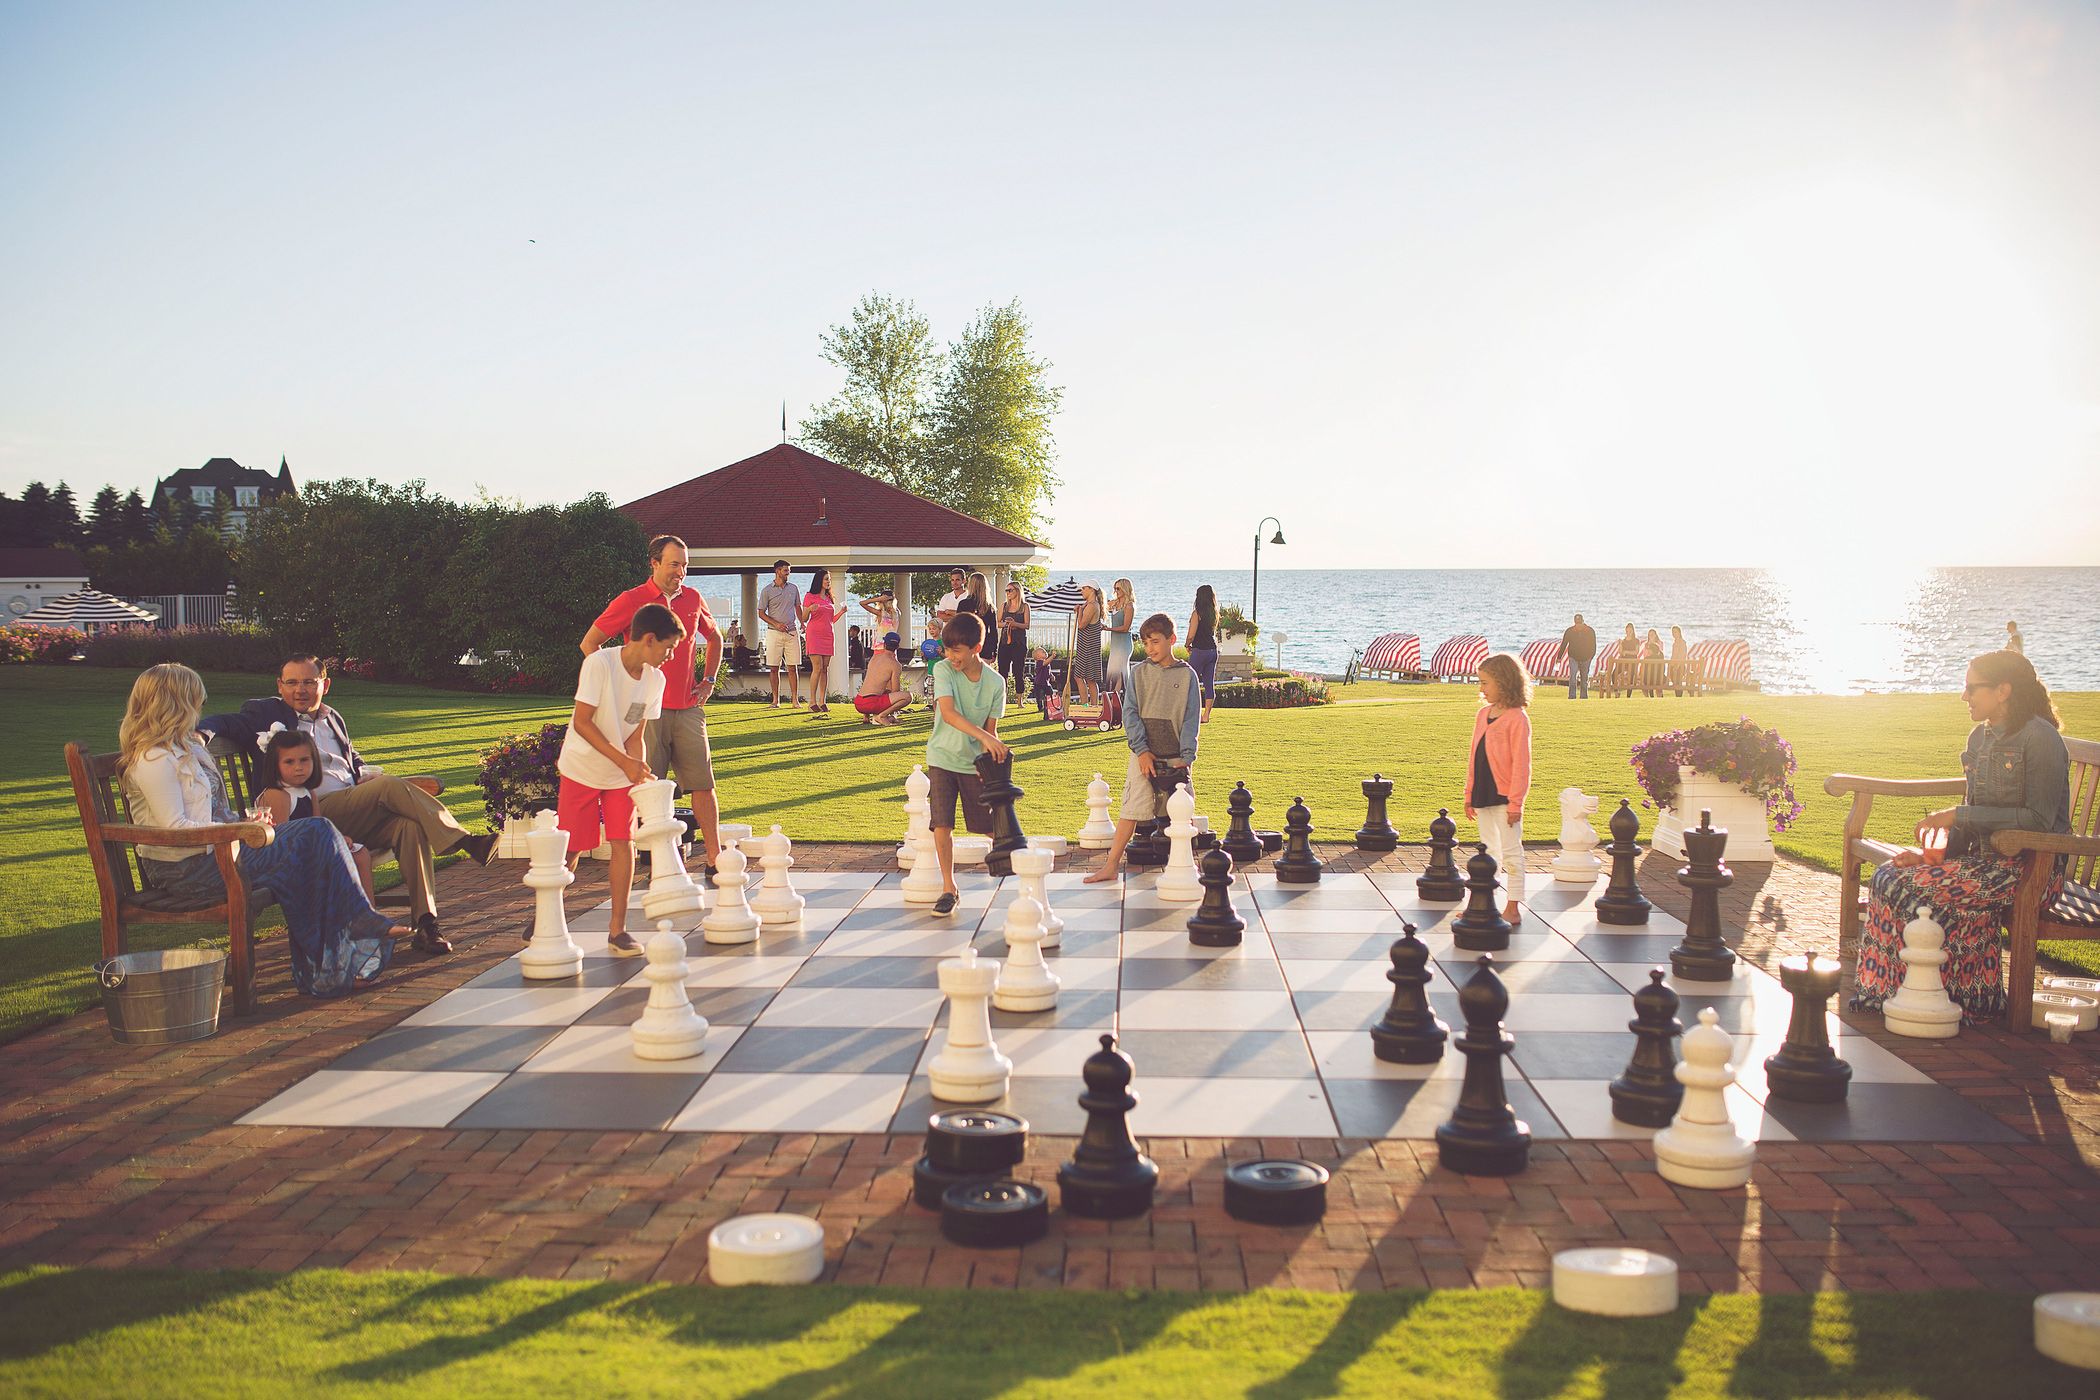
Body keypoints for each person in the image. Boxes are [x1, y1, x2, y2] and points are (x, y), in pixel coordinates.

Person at [125, 664, 406, 996]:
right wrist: (241, 830)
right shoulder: (154, 759)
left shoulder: (187, 748)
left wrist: (242, 825)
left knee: (311, 846)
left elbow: (211, 813)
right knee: (314, 834)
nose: (199, 709)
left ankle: (327, 970)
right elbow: (176, 829)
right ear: (176, 705)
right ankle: (353, 929)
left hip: (218, 853)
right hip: (188, 870)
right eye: (195, 701)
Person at [200, 655, 495, 957]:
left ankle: (426, 924)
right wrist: (201, 733)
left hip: (349, 810)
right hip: (306, 818)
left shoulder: (334, 719)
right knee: (388, 785)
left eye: (308, 682)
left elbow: (352, 763)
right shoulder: (265, 713)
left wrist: (364, 774)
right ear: (280, 685)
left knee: (409, 826)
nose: (299, 690)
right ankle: (463, 840)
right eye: (291, 683)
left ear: (324, 685)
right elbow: (224, 722)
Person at [1849, 651, 2070, 1024]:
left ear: (2003, 690)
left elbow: (2039, 821)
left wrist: (1958, 814)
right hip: (1984, 863)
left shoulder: (2041, 739)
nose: (1964, 697)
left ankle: (1940, 996)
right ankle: (1895, 994)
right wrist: (1929, 857)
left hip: (2033, 870)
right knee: (1888, 876)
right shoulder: (1979, 737)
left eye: (1971, 688)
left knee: (1910, 889)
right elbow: (1973, 816)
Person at [581, 534, 727, 871]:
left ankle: (716, 859)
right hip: (644, 712)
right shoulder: (632, 600)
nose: (681, 572)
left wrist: (708, 680)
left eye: (685, 565)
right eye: (674, 564)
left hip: (688, 708)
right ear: (655, 563)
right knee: (645, 788)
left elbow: (715, 637)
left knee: (703, 784)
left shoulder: (693, 598)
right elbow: (590, 644)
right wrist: (616, 689)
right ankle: (648, 863)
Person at [558, 603, 682, 955]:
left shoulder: (655, 679)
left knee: (622, 842)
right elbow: (582, 722)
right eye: (668, 648)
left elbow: (634, 733)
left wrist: (639, 773)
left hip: (619, 773)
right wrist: (625, 763)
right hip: (581, 767)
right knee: (572, 848)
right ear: (648, 639)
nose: (670, 656)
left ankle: (618, 930)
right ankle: (548, 913)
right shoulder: (600, 664)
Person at [1086, 613, 1201, 883]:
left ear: (1172, 640)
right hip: (1142, 755)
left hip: (1176, 759)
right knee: (1130, 811)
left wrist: (1186, 758)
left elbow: (1191, 719)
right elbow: (1130, 714)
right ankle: (1111, 865)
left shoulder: (1188, 676)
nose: (1150, 648)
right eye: (1146, 642)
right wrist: (1142, 751)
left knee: (1181, 815)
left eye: (1155, 642)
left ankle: (1186, 870)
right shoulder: (1138, 672)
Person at [924, 613, 1008, 916]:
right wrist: (986, 738)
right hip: (942, 758)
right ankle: (948, 888)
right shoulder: (945, 670)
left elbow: (992, 729)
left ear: (977, 646)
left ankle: (1024, 868)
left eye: (957, 650)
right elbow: (948, 713)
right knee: (942, 823)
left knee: (989, 826)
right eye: (947, 649)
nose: (950, 656)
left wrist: (991, 756)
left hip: (972, 764)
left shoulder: (996, 683)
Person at [256, 726, 376, 901]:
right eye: (289, 762)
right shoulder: (277, 795)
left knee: (360, 854)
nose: (298, 767)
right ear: (275, 765)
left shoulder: (308, 791)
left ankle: (367, 914)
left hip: (309, 848)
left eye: (304, 760)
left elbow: (319, 824)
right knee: (333, 863)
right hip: (286, 858)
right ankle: (341, 917)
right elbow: (281, 841)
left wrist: (338, 837)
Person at [1464, 652, 1533, 924]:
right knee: (1489, 850)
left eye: (1485, 683)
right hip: (1483, 794)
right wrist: (1469, 795)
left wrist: (1516, 803)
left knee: (1511, 852)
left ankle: (1513, 907)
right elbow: (1474, 756)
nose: (1481, 689)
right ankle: (1485, 903)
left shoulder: (1518, 718)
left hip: (1505, 798)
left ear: (1504, 682)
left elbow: (1521, 765)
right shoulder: (1483, 715)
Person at [757, 559, 803, 708]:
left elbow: (798, 608)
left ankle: (795, 700)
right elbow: (761, 613)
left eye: (789, 570)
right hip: (774, 634)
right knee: (774, 667)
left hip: (792, 633)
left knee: (792, 667)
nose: (788, 573)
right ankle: (775, 700)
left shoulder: (794, 588)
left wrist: (802, 622)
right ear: (777, 571)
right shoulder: (766, 591)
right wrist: (776, 624)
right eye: (785, 570)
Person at [800, 568, 840, 715]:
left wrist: (841, 612)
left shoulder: (829, 598)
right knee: (817, 668)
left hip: (828, 635)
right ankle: (812, 702)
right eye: (826, 579)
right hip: (814, 635)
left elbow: (831, 619)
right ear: (819, 581)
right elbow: (804, 618)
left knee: (825, 669)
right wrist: (810, 608)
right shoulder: (810, 596)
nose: (828, 582)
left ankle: (823, 701)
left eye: (829, 579)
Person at [854, 632, 914, 725]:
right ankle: (882, 716)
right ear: (897, 646)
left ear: (884, 645)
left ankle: (867, 717)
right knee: (908, 696)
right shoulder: (895, 664)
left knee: (880, 690)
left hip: (859, 702)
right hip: (871, 703)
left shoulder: (874, 657)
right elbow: (895, 691)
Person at [1185, 585, 1220, 724]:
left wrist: (1187, 645)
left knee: (1190, 682)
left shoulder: (1197, 613)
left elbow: (1191, 635)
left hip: (1200, 651)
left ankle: (1194, 713)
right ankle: (1206, 716)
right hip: (1212, 651)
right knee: (1209, 683)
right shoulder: (1214, 612)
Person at [1071, 585, 1105, 707]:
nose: (1081, 591)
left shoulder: (1092, 605)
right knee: (1088, 678)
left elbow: (1081, 625)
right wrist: (1080, 609)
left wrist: (1079, 611)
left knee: (1082, 677)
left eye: (1083, 589)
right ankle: (1091, 706)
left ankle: (1088, 706)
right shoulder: (1089, 604)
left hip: (1089, 646)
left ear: (1091, 589)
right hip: (1086, 645)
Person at [998, 581, 1030, 696]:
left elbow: (1027, 625)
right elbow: (998, 623)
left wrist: (1015, 624)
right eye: (1006, 590)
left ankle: (1020, 700)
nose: (1008, 593)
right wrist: (1007, 624)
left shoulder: (1024, 607)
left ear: (1017, 590)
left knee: (1018, 671)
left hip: (1019, 642)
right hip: (1005, 642)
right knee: (1002, 671)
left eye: (1010, 590)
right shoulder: (1004, 606)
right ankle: (1003, 698)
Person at [964, 571, 999, 672]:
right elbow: (993, 631)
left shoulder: (964, 604)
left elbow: (959, 627)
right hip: (985, 645)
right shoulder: (990, 607)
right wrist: (994, 651)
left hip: (968, 646)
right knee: (983, 679)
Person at [1105, 578, 1135, 692]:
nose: (1116, 590)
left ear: (1125, 589)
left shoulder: (1129, 606)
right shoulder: (1115, 603)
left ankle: (1116, 700)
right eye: (1115, 588)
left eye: (1118, 588)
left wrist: (1108, 628)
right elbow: (1102, 604)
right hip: (1115, 644)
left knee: (1120, 672)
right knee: (1113, 671)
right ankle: (1114, 699)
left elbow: (1125, 628)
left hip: (1124, 644)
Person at [1561, 613, 1596, 700]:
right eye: (1577, 624)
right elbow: (1564, 644)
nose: (1578, 626)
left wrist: (1591, 657)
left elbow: (1593, 645)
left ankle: (1583, 697)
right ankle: (1572, 696)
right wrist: (1559, 657)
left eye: (1580, 623)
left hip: (1586, 658)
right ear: (1574, 623)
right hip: (1573, 657)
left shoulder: (1590, 631)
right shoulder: (1569, 631)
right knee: (1573, 676)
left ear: (1583, 622)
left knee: (1584, 679)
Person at [1641, 628, 1665, 698]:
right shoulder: (1661, 655)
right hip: (1660, 678)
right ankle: (1660, 697)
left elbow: (1644, 670)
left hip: (1650, 679)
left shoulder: (1647, 658)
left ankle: (1649, 698)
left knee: (1644, 682)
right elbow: (1663, 668)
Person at [1668, 625, 1690, 697]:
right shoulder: (1674, 643)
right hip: (1673, 665)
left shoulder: (1682, 643)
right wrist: (1670, 665)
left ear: (1679, 633)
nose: (1673, 634)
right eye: (1672, 632)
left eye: (1675, 632)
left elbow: (1682, 655)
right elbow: (1673, 655)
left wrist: (1677, 665)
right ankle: (1677, 696)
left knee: (1678, 682)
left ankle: (1679, 696)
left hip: (1680, 665)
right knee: (1674, 682)